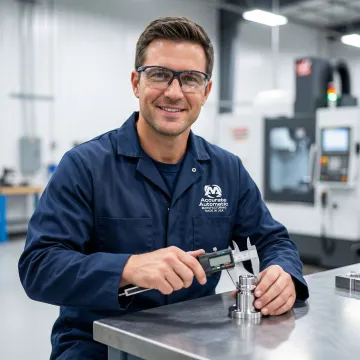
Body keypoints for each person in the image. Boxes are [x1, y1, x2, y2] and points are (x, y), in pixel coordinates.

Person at [18, 16, 309, 360]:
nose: (174, 92)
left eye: (190, 79)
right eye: (159, 74)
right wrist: (127, 269)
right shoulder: (85, 167)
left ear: (206, 91)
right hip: (95, 345)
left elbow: (273, 240)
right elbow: (39, 265)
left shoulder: (227, 170)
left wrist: (284, 274)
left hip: (196, 343)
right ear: (135, 82)